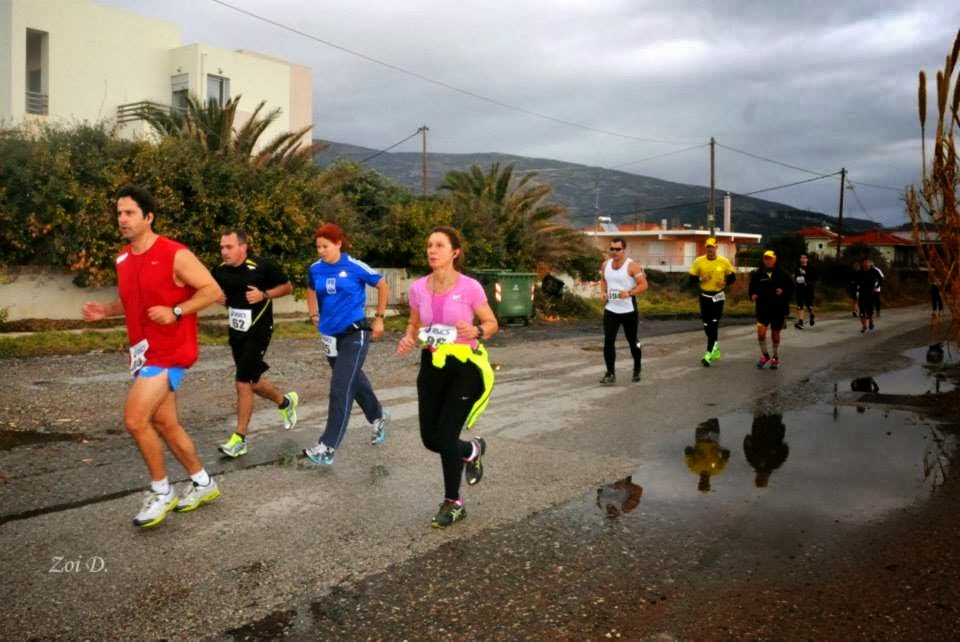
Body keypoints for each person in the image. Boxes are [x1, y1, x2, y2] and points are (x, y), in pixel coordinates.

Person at [81, 184, 222, 528]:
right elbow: (132, 302)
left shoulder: (174, 253)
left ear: (149, 216)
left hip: (170, 351)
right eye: (119, 213)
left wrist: (176, 310)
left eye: (129, 213)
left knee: (134, 420)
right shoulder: (123, 258)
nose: (122, 219)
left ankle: (162, 491)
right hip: (143, 354)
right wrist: (108, 310)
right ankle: (203, 483)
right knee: (164, 422)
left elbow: (213, 291)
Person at [397, 226, 498, 528]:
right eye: (429, 245)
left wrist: (477, 330)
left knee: (445, 436)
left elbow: (491, 323)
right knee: (431, 439)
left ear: (455, 252)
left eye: (439, 245)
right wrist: (407, 339)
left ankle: (453, 501)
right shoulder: (417, 289)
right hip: (431, 366)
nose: (432, 250)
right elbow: (414, 325)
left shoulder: (470, 288)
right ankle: (472, 450)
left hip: (464, 369)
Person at [303, 223, 390, 465]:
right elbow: (311, 289)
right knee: (354, 380)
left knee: (341, 387)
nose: (321, 251)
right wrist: (313, 313)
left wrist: (379, 318)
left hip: (355, 332)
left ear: (339, 243)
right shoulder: (315, 269)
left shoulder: (353, 266)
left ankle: (328, 446)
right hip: (329, 335)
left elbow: (382, 284)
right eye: (318, 246)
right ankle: (379, 416)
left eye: (326, 246)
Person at [212, 229, 298, 458]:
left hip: (259, 330)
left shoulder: (262, 266)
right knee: (253, 381)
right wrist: (216, 295)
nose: (224, 251)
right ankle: (285, 402)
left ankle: (239, 439)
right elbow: (211, 290)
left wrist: (264, 294)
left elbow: (288, 287)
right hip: (236, 332)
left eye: (228, 247)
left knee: (242, 382)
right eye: (221, 247)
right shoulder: (220, 271)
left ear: (243, 247)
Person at [598, 237, 648, 384]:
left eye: (617, 249)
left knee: (633, 341)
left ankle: (637, 367)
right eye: (612, 249)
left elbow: (644, 284)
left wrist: (630, 293)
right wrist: (603, 292)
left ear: (623, 250)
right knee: (608, 341)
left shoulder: (632, 266)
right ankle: (610, 373)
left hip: (628, 310)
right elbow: (603, 280)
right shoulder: (605, 265)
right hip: (611, 309)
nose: (614, 252)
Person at [688, 237, 736, 367]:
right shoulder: (699, 261)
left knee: (714, 323)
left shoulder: (724, 262)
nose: (710, 249)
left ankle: (708, 354)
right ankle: (715, 346)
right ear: (706, 248)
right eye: (708, 247)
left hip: (718, 296)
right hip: (704, 297)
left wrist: (724, 283)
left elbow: (732, 277)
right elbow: (691, 279)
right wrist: (701, 278)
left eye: (712, 247)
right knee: (706, 325)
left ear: (716, 248)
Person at [749, 250, 793, 369]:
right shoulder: (758, 275)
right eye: (766, 258)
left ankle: (775, 357)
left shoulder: (783, 275)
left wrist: (783, 292)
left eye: (770, 258)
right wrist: (752, 295)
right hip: (762, 309)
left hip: (778, 309)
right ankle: (765, 355)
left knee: (775, 336)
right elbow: (751, 289)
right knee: (761, 334)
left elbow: (791, 289)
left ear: (775, 259)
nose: (768, 261)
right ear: (763, 260)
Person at [854, 257, 884, 333]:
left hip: (871, 294)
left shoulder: (874, 271)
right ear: (862, 264)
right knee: (862, 312)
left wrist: (877, 287)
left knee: (870, 312)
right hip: (862, 294)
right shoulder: (859, 272)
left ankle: (870, 321)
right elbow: (856, 282)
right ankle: (864, 326)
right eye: (864, 262)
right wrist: (857, 289)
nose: (866, 264)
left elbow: (881, 279)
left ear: (870, 263)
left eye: (867, 262)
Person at [793, 253, 817, 329]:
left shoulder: (811, 268)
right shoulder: (797, 267)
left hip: (808, 288)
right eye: (801, 258)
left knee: (808, 304)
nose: (802, 259)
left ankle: (812, 314)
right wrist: (794, 277)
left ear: (807, 259)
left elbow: (814, 277)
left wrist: (806, 274)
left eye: (804, 258)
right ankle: (801, 321)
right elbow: (796, 276)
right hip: (799, 288)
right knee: (800, 305)